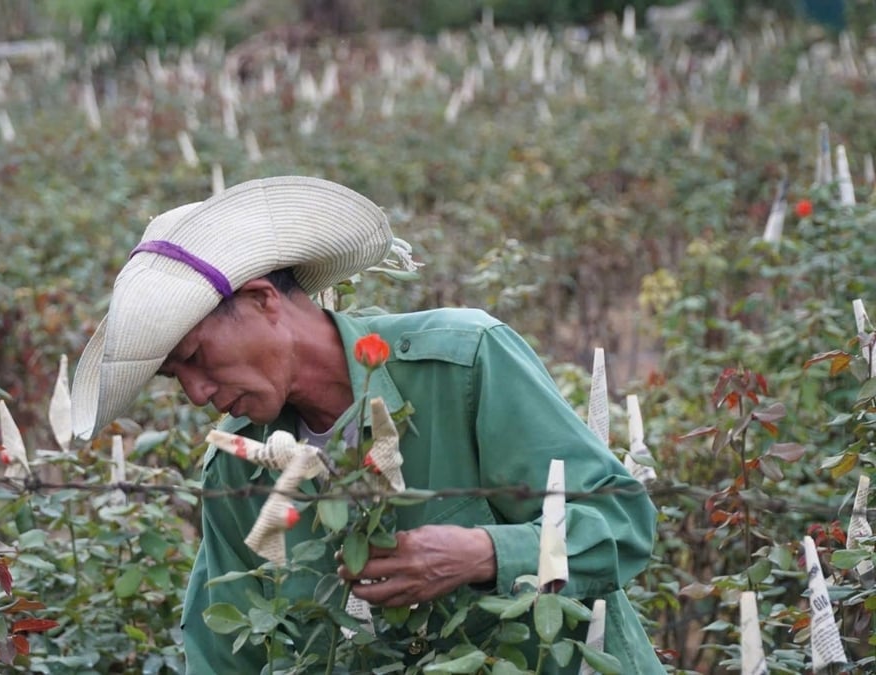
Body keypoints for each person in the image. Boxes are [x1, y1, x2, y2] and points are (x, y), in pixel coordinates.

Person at [70, 176, 663, 673]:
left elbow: (622, 525)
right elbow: (224, 653)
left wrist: (483, 553)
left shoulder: (462, 364)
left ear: (260, 300)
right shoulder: (238, 470)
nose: (198, 394)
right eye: (177, 378)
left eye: (196, 357)